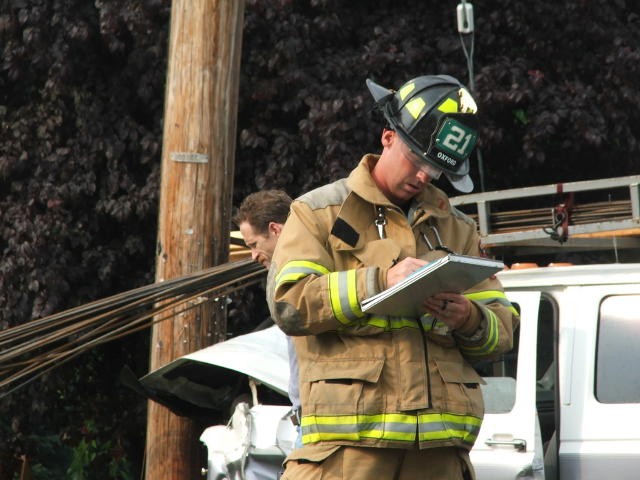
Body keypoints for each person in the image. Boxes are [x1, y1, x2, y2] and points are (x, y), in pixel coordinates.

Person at [267, 75, 519, 480]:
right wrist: (380, 281)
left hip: (439, 457)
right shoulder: (317, 214)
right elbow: (291, 303)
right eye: (416, 160)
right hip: (347, 454)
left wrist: (468, 318)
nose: (423, 176)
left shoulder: (458, 229)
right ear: (387, 137)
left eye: (435, 168)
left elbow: (501, 334)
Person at [233, 189, 302, 442]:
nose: (253, 255)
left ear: (276, 230)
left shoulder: (295, 271)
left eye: (254, 245)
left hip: (316, 418)